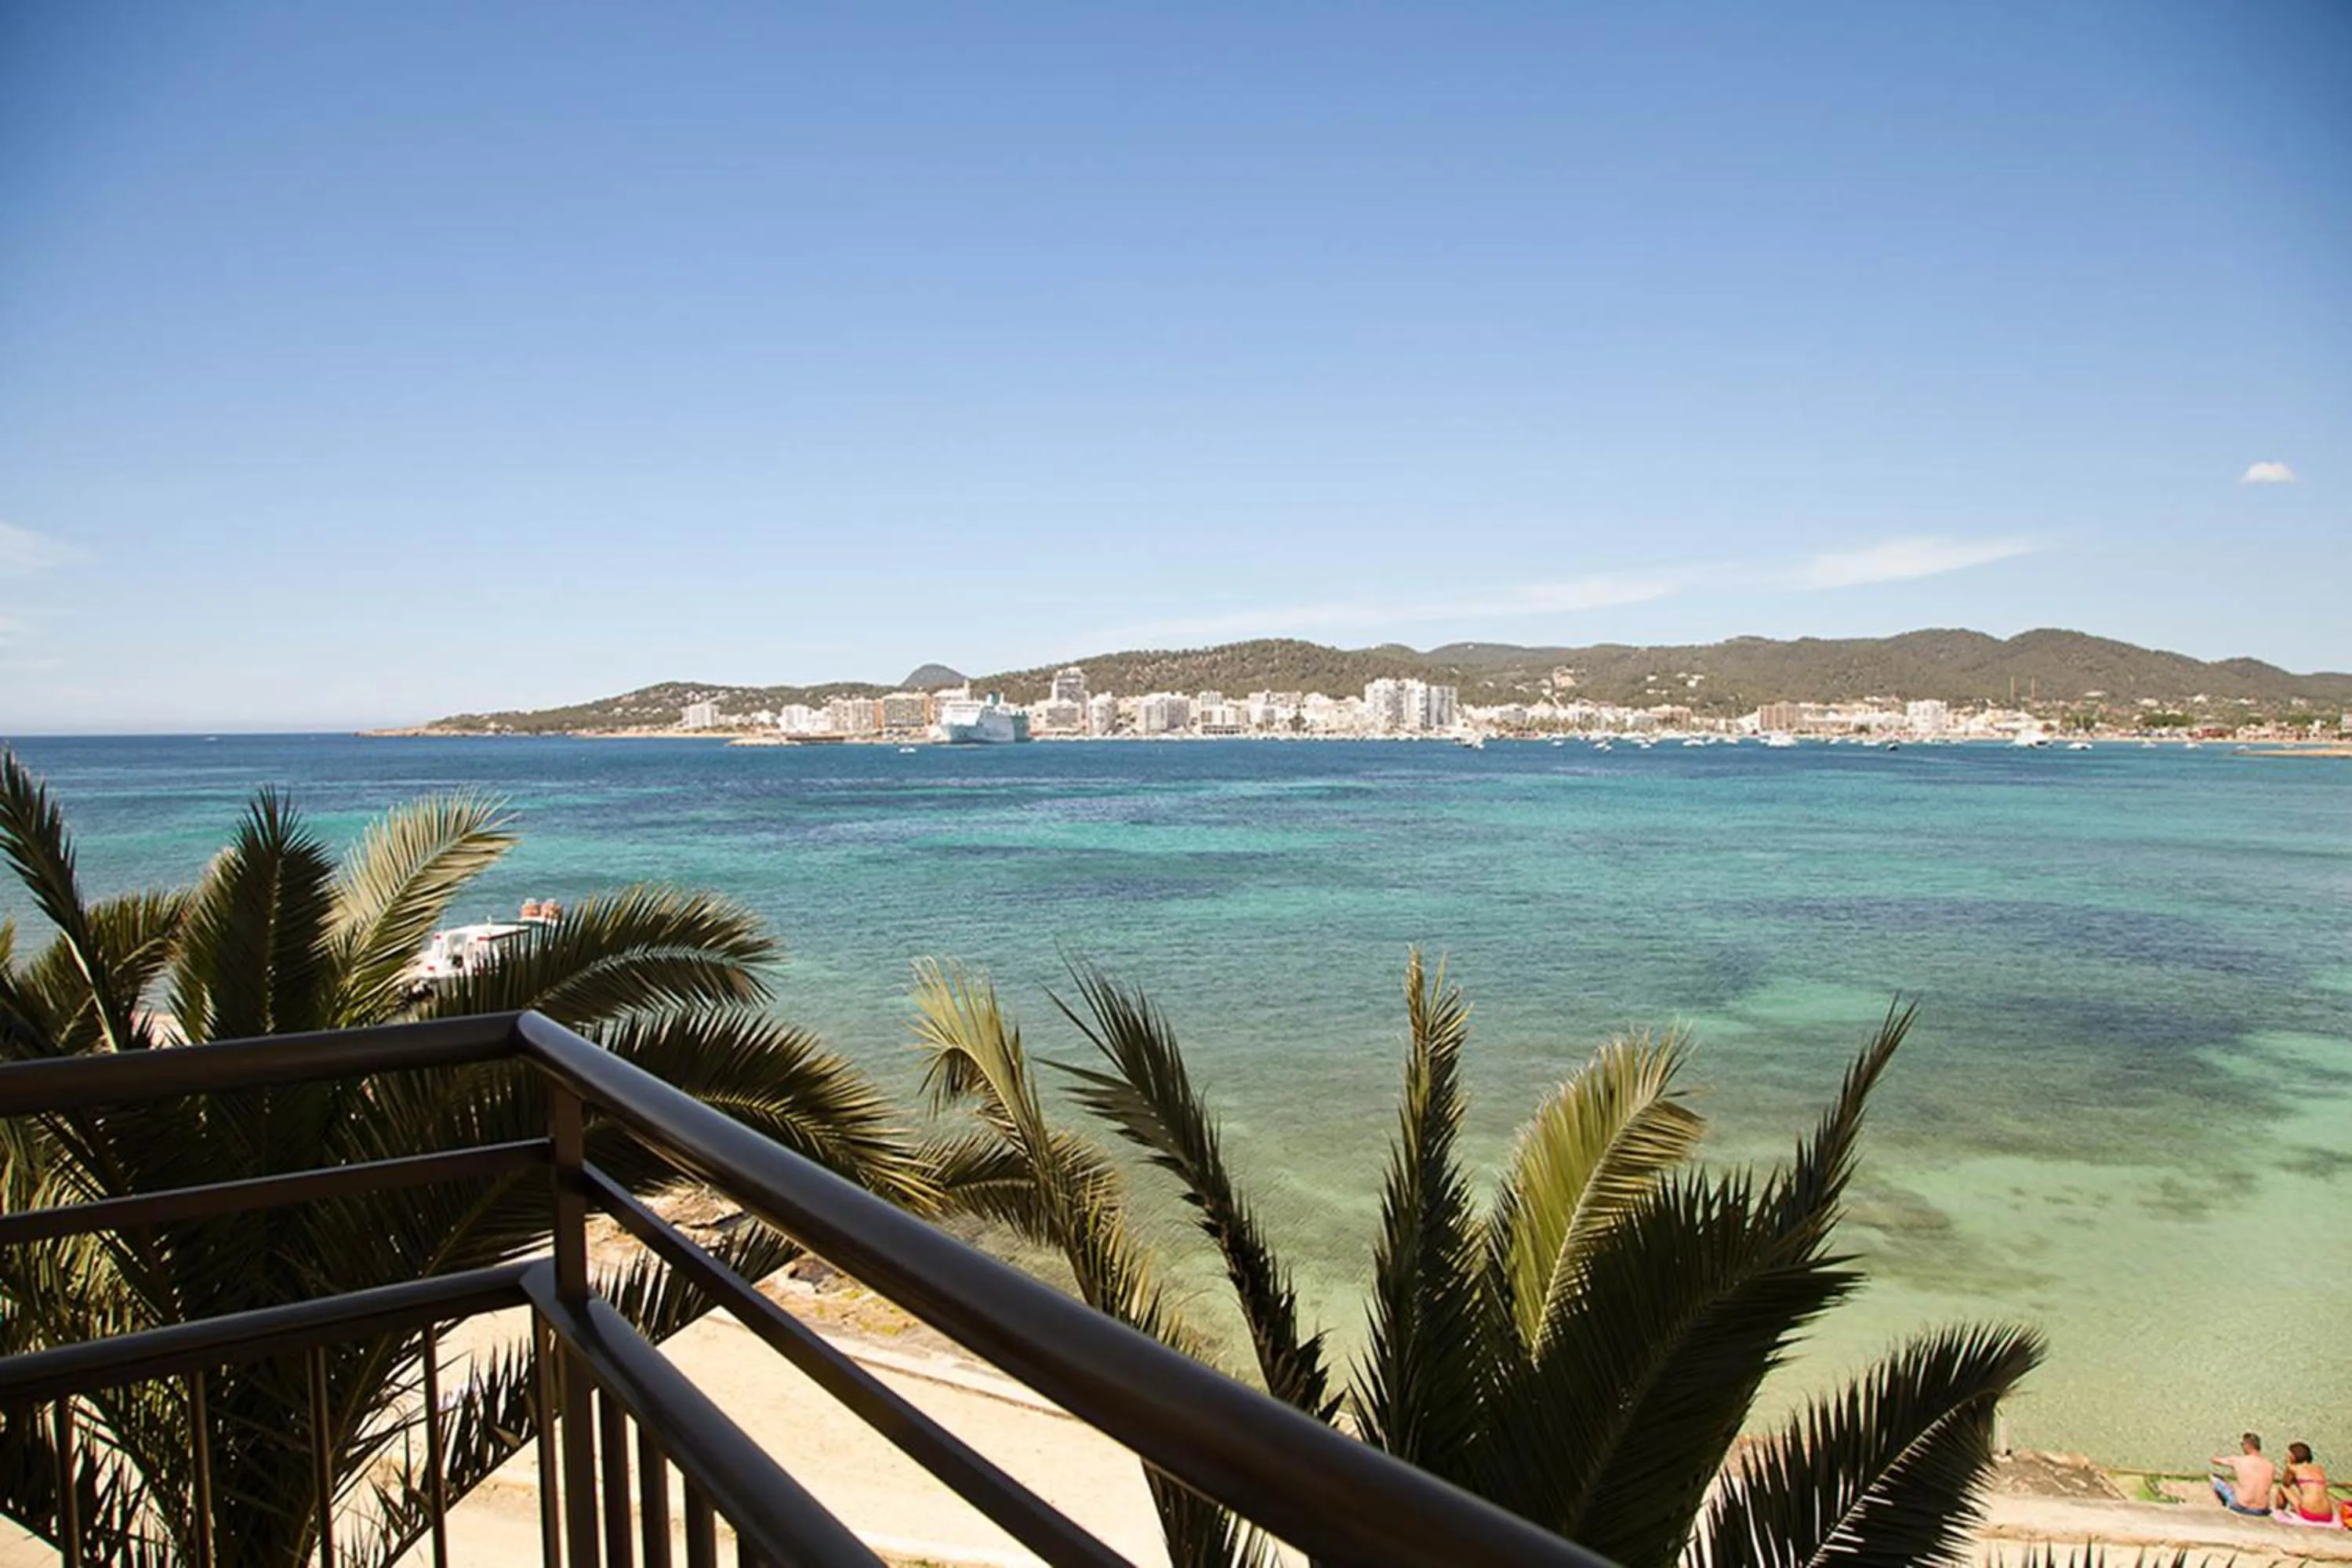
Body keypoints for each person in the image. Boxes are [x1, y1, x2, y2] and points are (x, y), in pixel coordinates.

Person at [2210, 1432, 2275, 1517]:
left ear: (2246, 1445)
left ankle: (2225, 1505)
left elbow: (2215, 1460)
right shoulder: (2270, 1466)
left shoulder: (2238, 1461)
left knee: (2214, 1478)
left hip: (2241, 1506)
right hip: (2262, 1510)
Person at [2270, 1442, 2332, 1523]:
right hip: (2327, 1515)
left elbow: (2286, 1483)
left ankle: (2278, 1512)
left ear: (2292, 1456)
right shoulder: (2319, 1468)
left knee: (2282, 1488)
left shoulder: (2293, 1468)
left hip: (2309, 1514)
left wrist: (2288, 1464)